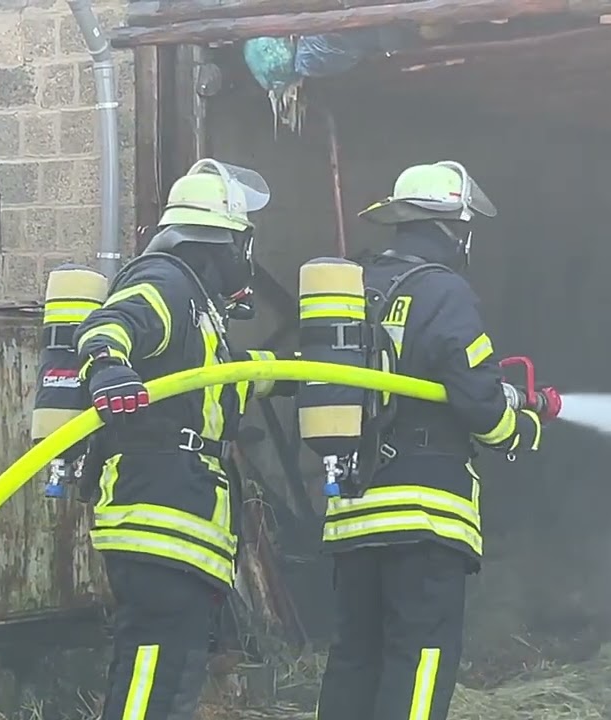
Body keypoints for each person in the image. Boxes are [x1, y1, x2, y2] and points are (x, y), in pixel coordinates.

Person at [315, 160, 546, 720]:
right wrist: (521, 428)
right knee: (418, 660)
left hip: (352, 510)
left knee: (354, 660)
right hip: (424, 513)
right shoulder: (445, 290)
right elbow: (477, 399)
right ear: (454, 227)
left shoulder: (357, 286)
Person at [74, 159, 289, 720]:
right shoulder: (166, 283)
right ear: (218, 244)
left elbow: (217, 383)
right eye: (240, 246)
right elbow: (111, 325)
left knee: (172, 674)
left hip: (182, 519)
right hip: (158, 510)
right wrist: (106, 364)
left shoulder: (198, 309)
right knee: (153, 664)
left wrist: (293, 372)